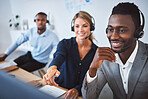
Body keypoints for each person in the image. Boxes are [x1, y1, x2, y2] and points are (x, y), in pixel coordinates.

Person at [82, 2, 148, 99]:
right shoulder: (105, 60)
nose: (113, 37)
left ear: (138, 32)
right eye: (110, 29)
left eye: (122, 30)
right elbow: (89, 97)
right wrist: (93, 68)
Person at [43, 11, 98, 99]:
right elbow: (59, 56)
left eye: (85, 26)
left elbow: (91, 78)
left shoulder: (96, 52)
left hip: (80, 93)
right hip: (59, 88)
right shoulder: (64, 44)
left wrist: (77, 89)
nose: (80, 30)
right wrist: (52, 67)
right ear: (73, 28)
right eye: (77, 26)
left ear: (91, 28)